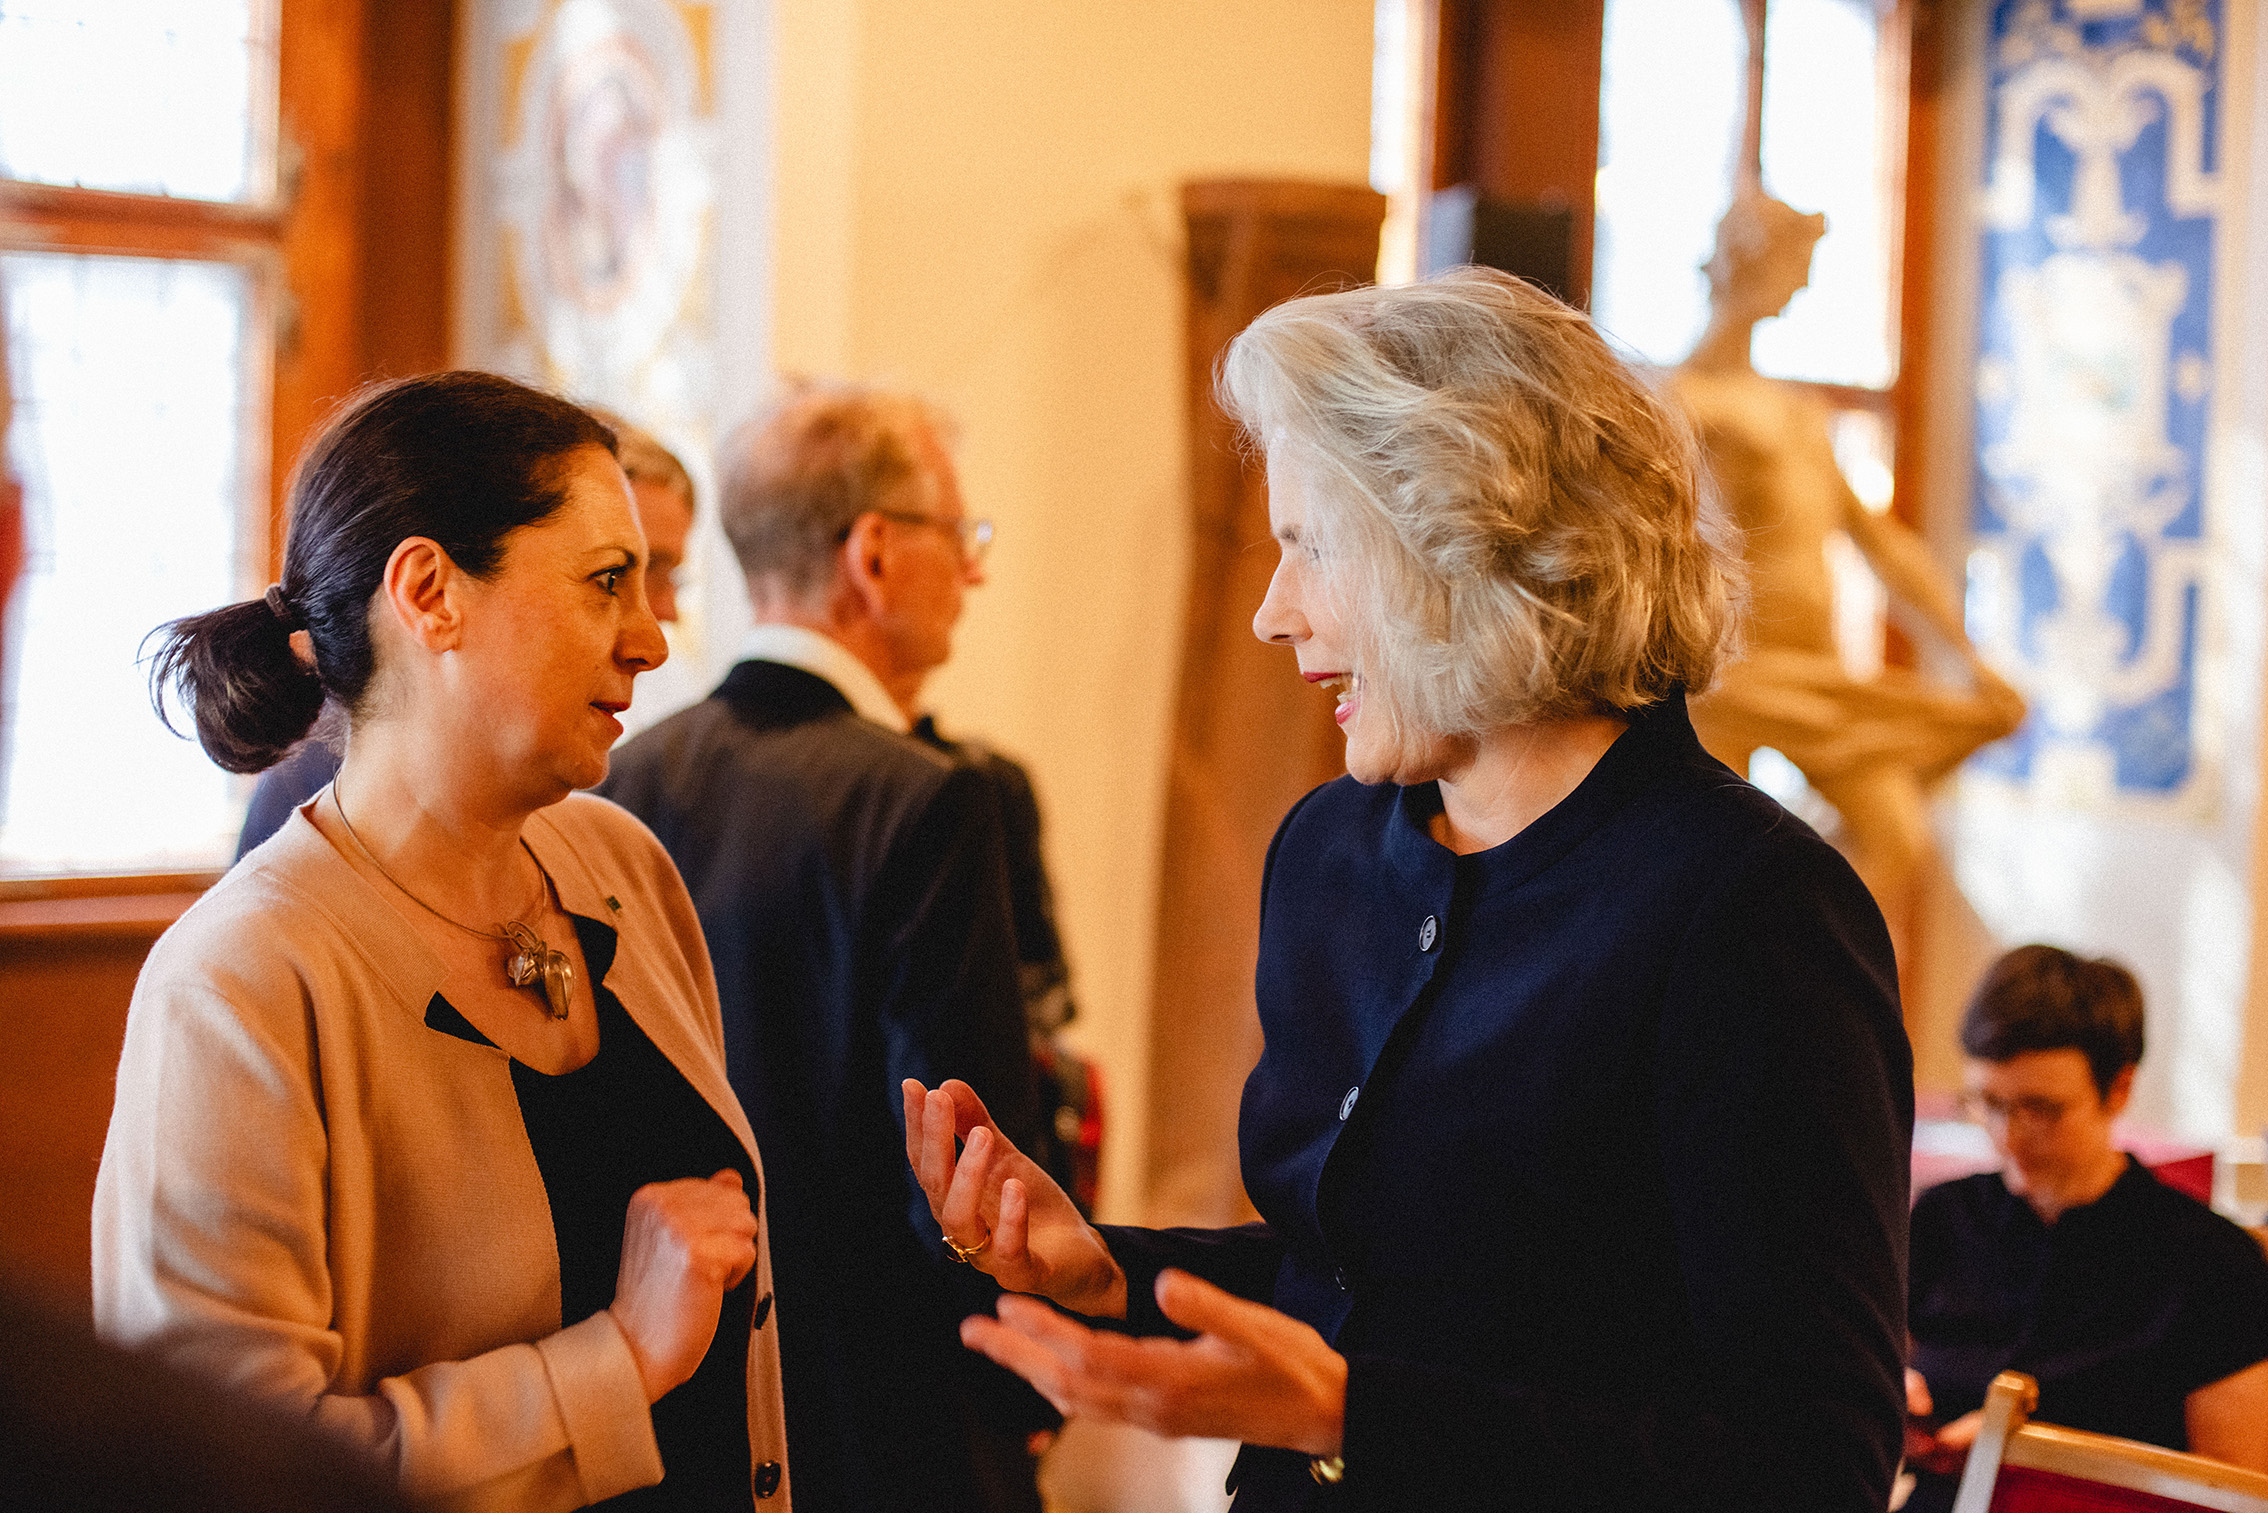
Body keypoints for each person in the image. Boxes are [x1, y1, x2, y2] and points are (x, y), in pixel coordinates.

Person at [906, 268, 1914, 1512]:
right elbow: (1368, 1280)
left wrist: (1352, 1419)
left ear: (1482, 547)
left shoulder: (1751, 906)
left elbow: (1813, 1463)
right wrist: (1108, 1271)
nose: (1274, 614)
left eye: (1313, 548)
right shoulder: (1329, 853)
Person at [97, 371, 790, 1510]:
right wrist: (619, 1360)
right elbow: (213, 1470)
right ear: (430, 594)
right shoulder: (236, 984)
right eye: (606, 582)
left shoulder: (622, 870)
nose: (652, 640)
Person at [598, 384, 1050, 1513]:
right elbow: (968, 1165)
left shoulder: (623, 780)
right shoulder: (929, 799)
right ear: (875, 554)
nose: (975, 571)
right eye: (960, 535)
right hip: (889, 1409)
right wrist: (1024, 1383)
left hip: (678, 1390)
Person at [1669, 190, 2024, 950]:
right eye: (1793, 263)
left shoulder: (1799, 412)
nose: (1801, 284)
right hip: (1733, 676)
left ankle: (1789, 969)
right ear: (1747, 261)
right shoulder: (1681, 405)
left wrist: (1963, 658)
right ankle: (1744, 981)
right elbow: (1658, 550)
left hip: (1819, 674)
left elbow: (1880, 544)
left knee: (1896, 837)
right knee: (1704, 869)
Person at [233, 407, 697, 860]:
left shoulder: (620, 852)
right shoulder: (315, 789)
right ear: (430, 594)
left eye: (663, 574)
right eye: (611, 576)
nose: (657, 632)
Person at [1903, 945, 2268, 1511]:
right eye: (1989, 1102)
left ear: (2118, 1089)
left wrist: (2027, 1459)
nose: (2009, 1136)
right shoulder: (1943, 1218)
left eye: (2042, 1109)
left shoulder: (2213, 1264)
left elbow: (2235, 1492)